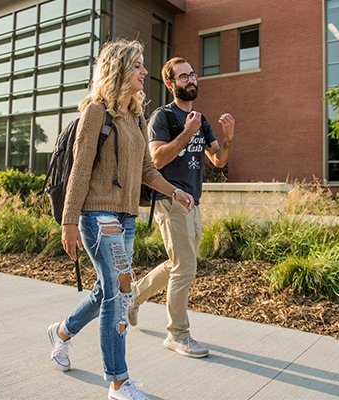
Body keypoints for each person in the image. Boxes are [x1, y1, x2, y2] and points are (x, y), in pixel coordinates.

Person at [47, 41, 194, 400]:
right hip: (98, 216)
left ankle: (62, 333)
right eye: (139, 66)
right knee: (120, 293)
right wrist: (68, 222)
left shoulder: (136, 116)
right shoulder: (96, 112)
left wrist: (175, 191)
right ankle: (118, 381)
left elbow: (146, 169)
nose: (145, 72)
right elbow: (80, 170)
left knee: (106, 291)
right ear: (119, 69)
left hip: (126, 218)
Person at [128, 57, 235, 358]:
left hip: (194, 201)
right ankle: (177, 334)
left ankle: (135, 295)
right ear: (170, 83)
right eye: (184, 76)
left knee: (180, 263)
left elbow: (219, 160)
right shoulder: (163, 118)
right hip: (170, 199)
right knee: (185, 266)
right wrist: (187, 134)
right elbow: (156, 160)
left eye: (193, 75)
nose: (191, 80)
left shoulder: (202, 119)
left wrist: (229, 138)